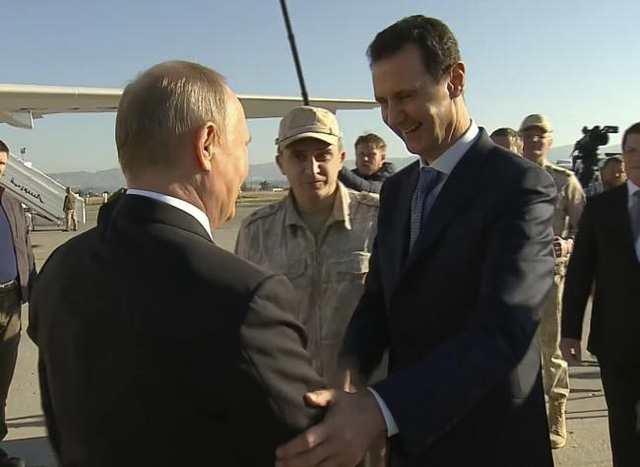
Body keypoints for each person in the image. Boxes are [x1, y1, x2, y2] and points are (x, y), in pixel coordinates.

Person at [276, 16, 556, 467]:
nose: (392, 117)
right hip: (411, 444)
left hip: (490, 442)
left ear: (455, 80)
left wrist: (381, 408)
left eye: (406, 96)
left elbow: (504, 328)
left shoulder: (519, 186)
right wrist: (349, 372)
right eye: (382, 102)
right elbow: (380, 298)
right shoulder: (398, 190)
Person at [28, 61, 325, 467]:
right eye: (243, 145)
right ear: (207, 145)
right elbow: (315, 451)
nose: (244, 168)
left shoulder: (60, 269)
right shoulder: (244, 297)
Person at [236, 107, 379, 383]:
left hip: (364, 397)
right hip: (290, 396)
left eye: (322, 155)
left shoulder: (379, 220)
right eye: (299, 157)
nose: (311, 169)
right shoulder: (257, 233)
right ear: (280, 163)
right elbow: (246, 323)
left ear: (341, 158)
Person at [561, 122, 640, 467]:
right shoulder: (601, 207)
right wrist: (570, 331)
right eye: (631, 150)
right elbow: (580, 272)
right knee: (623, 426)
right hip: (615, 339)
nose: (637, 157)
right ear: (623, 155)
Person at [519, 113, 586, 448]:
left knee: (550, 349)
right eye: (528, 134)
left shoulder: (565, 181)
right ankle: (520, 416)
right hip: (514, 278)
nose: (534, 140)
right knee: (514, 349)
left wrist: (569, 244)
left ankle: (557, 408)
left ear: (549, 140)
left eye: (540, 135)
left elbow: (586, 228)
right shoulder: (508, 178)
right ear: (519, 140)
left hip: (549, 278)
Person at [0, 140, 36, 467]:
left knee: (3, 375)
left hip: (11, 299)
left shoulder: (12, 204)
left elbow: (25, 247)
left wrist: (32, 290)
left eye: (2, 164)